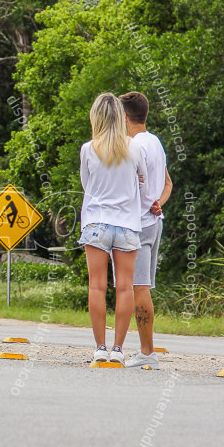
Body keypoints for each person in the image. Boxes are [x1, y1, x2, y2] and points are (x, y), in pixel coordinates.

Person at [79, 92, 147, 365]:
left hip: (96, 221)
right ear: (121, 117)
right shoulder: (134, 147)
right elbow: (141, 182)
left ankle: (100, 347)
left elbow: (87, 185)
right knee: (125, 287)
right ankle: (118, 349)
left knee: (97, 286)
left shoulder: (88, 149)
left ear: (96, 117)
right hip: (128, 224)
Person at [120, 92, 172, 370]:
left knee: (138, 288)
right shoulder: (156, 142)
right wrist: (158, 203)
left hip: (137, 224)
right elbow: (167, 183)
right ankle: (145, 348)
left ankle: (146, 351)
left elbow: (129, 187)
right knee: (145, 286)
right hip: (155, 221)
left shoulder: (133, 146)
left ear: (125, 116)